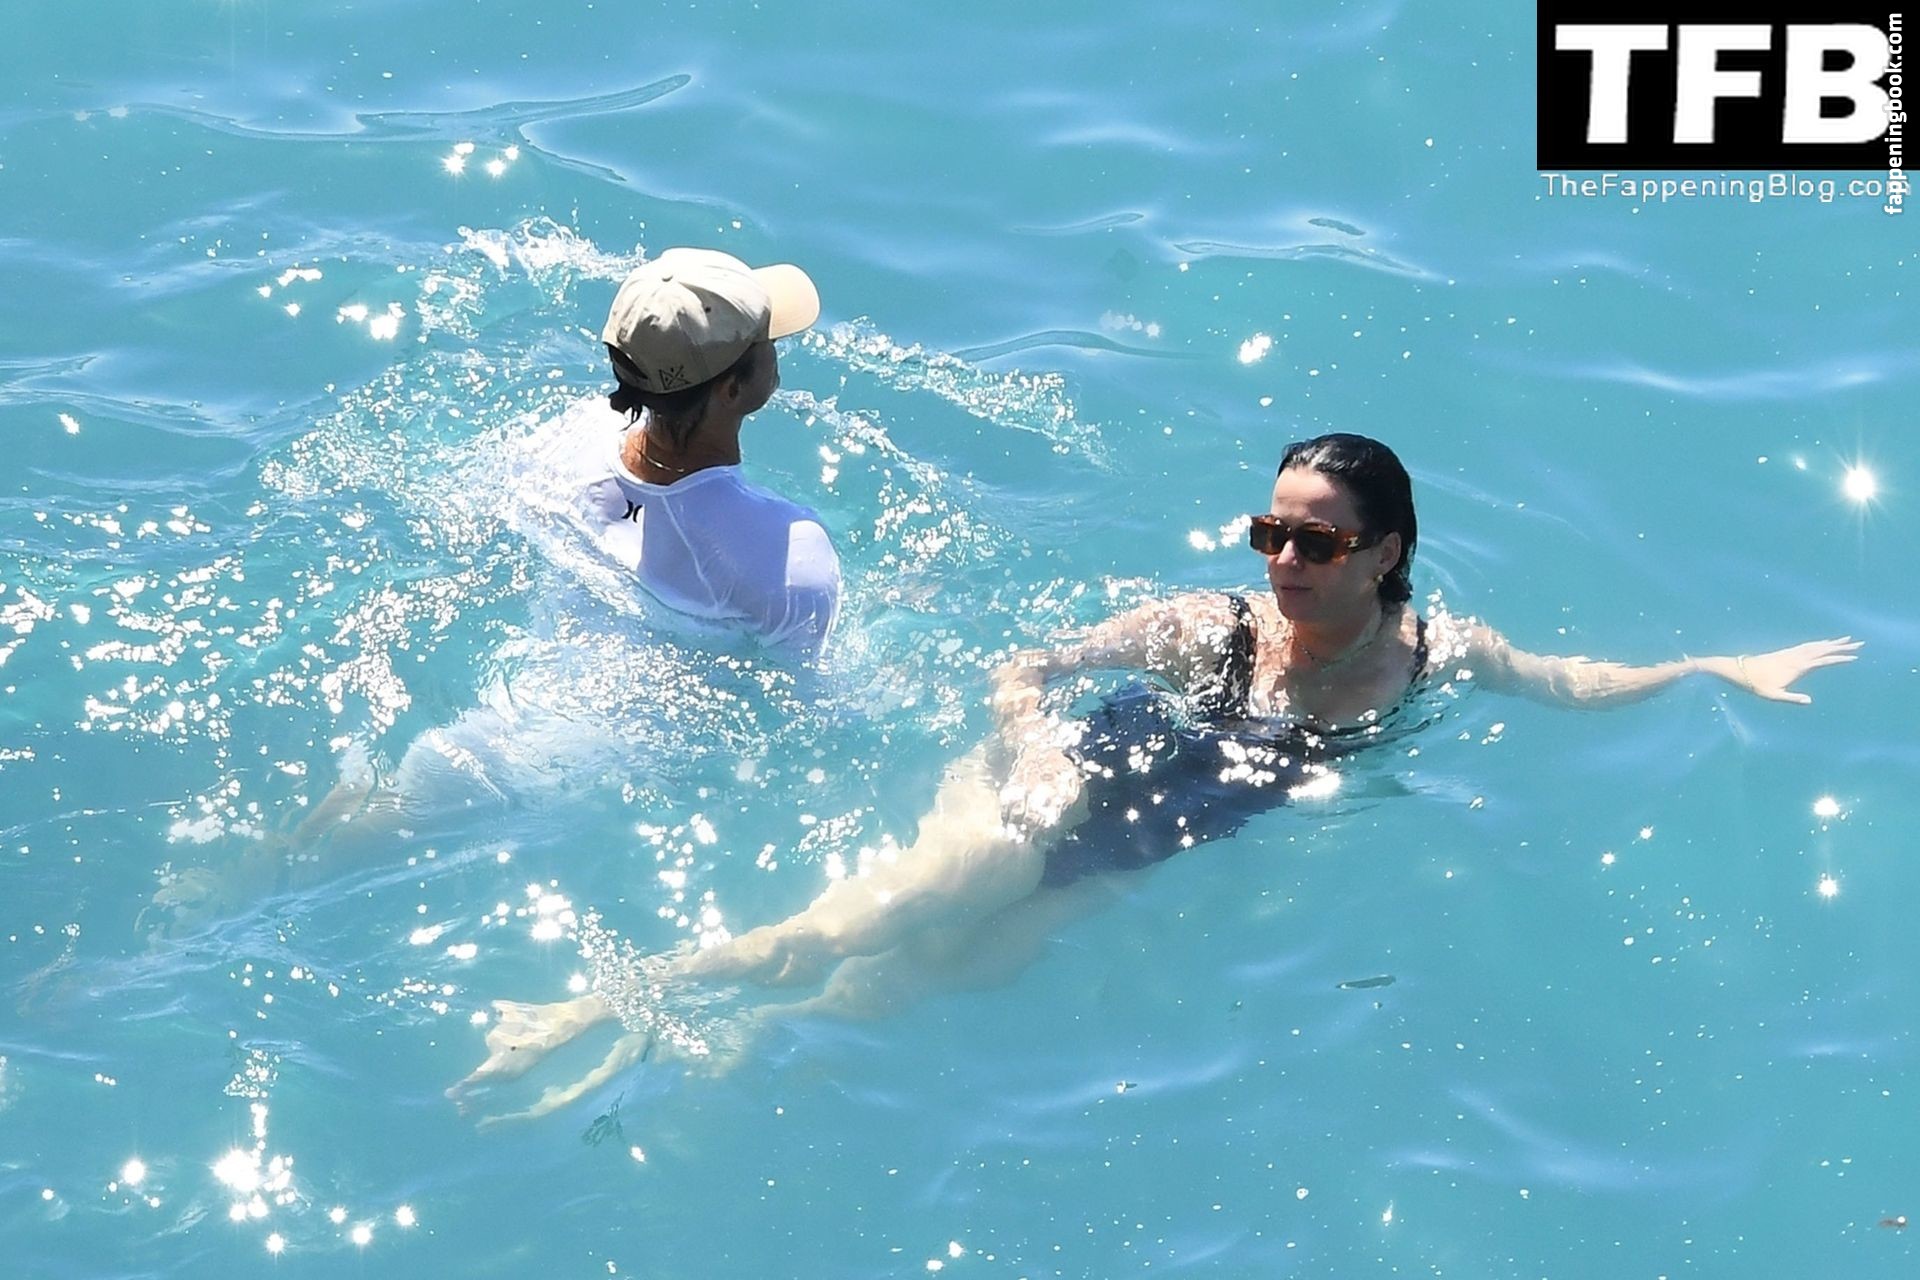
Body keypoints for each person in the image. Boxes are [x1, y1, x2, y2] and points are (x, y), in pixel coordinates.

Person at [448, 433, 1860, 1123]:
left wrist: (1713, 669)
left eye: (1317, 541)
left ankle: (704, 1052)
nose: (1283, 560)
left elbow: (1570, 682)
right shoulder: (1208, 629)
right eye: (1271, 532)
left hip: (1154, 839)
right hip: (1046, 796)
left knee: (927, 976)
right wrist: (1029, 748)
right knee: (889, 911)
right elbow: (1029, 664)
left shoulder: (1436, 658)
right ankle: (584, 1004)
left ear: (1385, 552)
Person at [144, 248, 839, 939]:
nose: (775, 348)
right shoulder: (784, 554)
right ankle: (206, 922)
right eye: (765, 342)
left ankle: (233, 885)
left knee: (320, 847)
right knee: (320, 879)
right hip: (572, 764)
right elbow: (802, 712)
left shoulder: (565, 439)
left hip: (490, 718)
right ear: (731, 390)